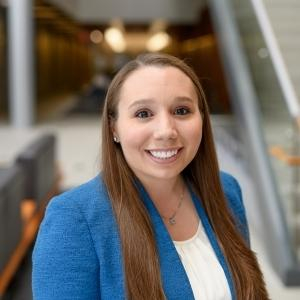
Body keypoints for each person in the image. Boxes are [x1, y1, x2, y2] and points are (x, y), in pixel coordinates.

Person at [32, 53, 269, 300]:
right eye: (143, 114)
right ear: (114, 128)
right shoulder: (73, 218)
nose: (166, 130)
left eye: (181, 110)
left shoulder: (226, 190)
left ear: (202, 118)